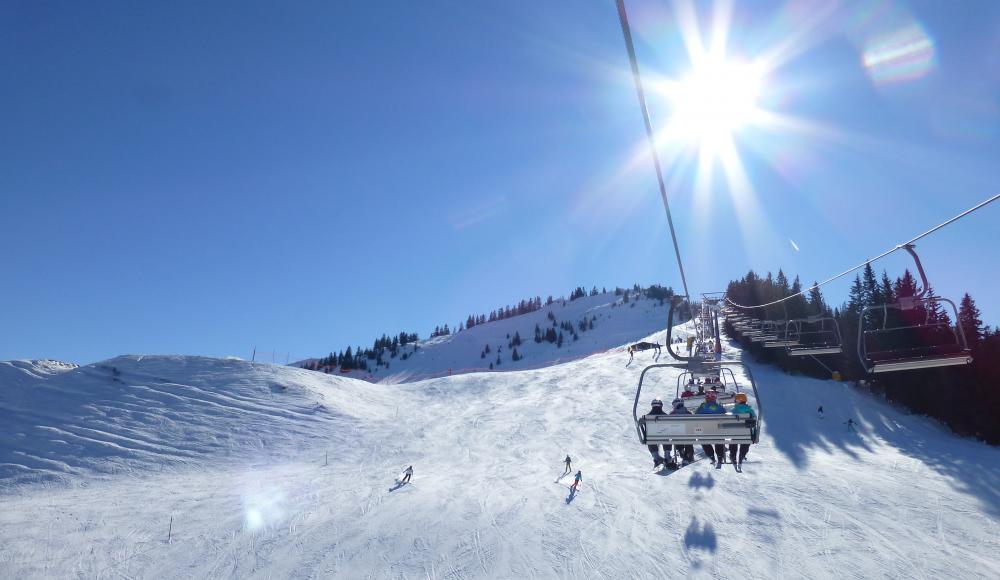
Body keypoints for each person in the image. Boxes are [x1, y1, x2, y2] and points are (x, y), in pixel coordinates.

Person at [695, 391, 727, 466]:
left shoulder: (701, 408)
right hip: (718, 432)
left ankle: (711, 456)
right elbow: (726, 417)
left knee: (703, 439)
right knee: (719, 439)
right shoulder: (720, 408)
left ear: (706, 399)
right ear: (715, 399)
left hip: (705, 432)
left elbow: (695, 417)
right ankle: (720, 457)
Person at [728, 393, 757, 467]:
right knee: (746, 442)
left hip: (735, 434)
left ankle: (733, 455)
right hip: (747, 435)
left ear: (737, 401)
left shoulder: (733, 410)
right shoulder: (750, 411)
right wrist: (754, 434)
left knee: (733, 441)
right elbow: (754, 422)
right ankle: (742, 454)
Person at [669, 399, 695, 464]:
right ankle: (688, 455)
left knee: (676, 435)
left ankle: (681, 450)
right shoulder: (688, 413)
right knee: (689, 436)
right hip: (689, 436)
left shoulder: (672, 414)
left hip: (677, 436)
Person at [645, 399, 668, 467]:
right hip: (665, 437)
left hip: (652, 438)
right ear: (661, 406)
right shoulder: (666, 416)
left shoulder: (647, 417)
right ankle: (667, 456)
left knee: (650, 439)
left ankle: (656, 458)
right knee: (667, 438)